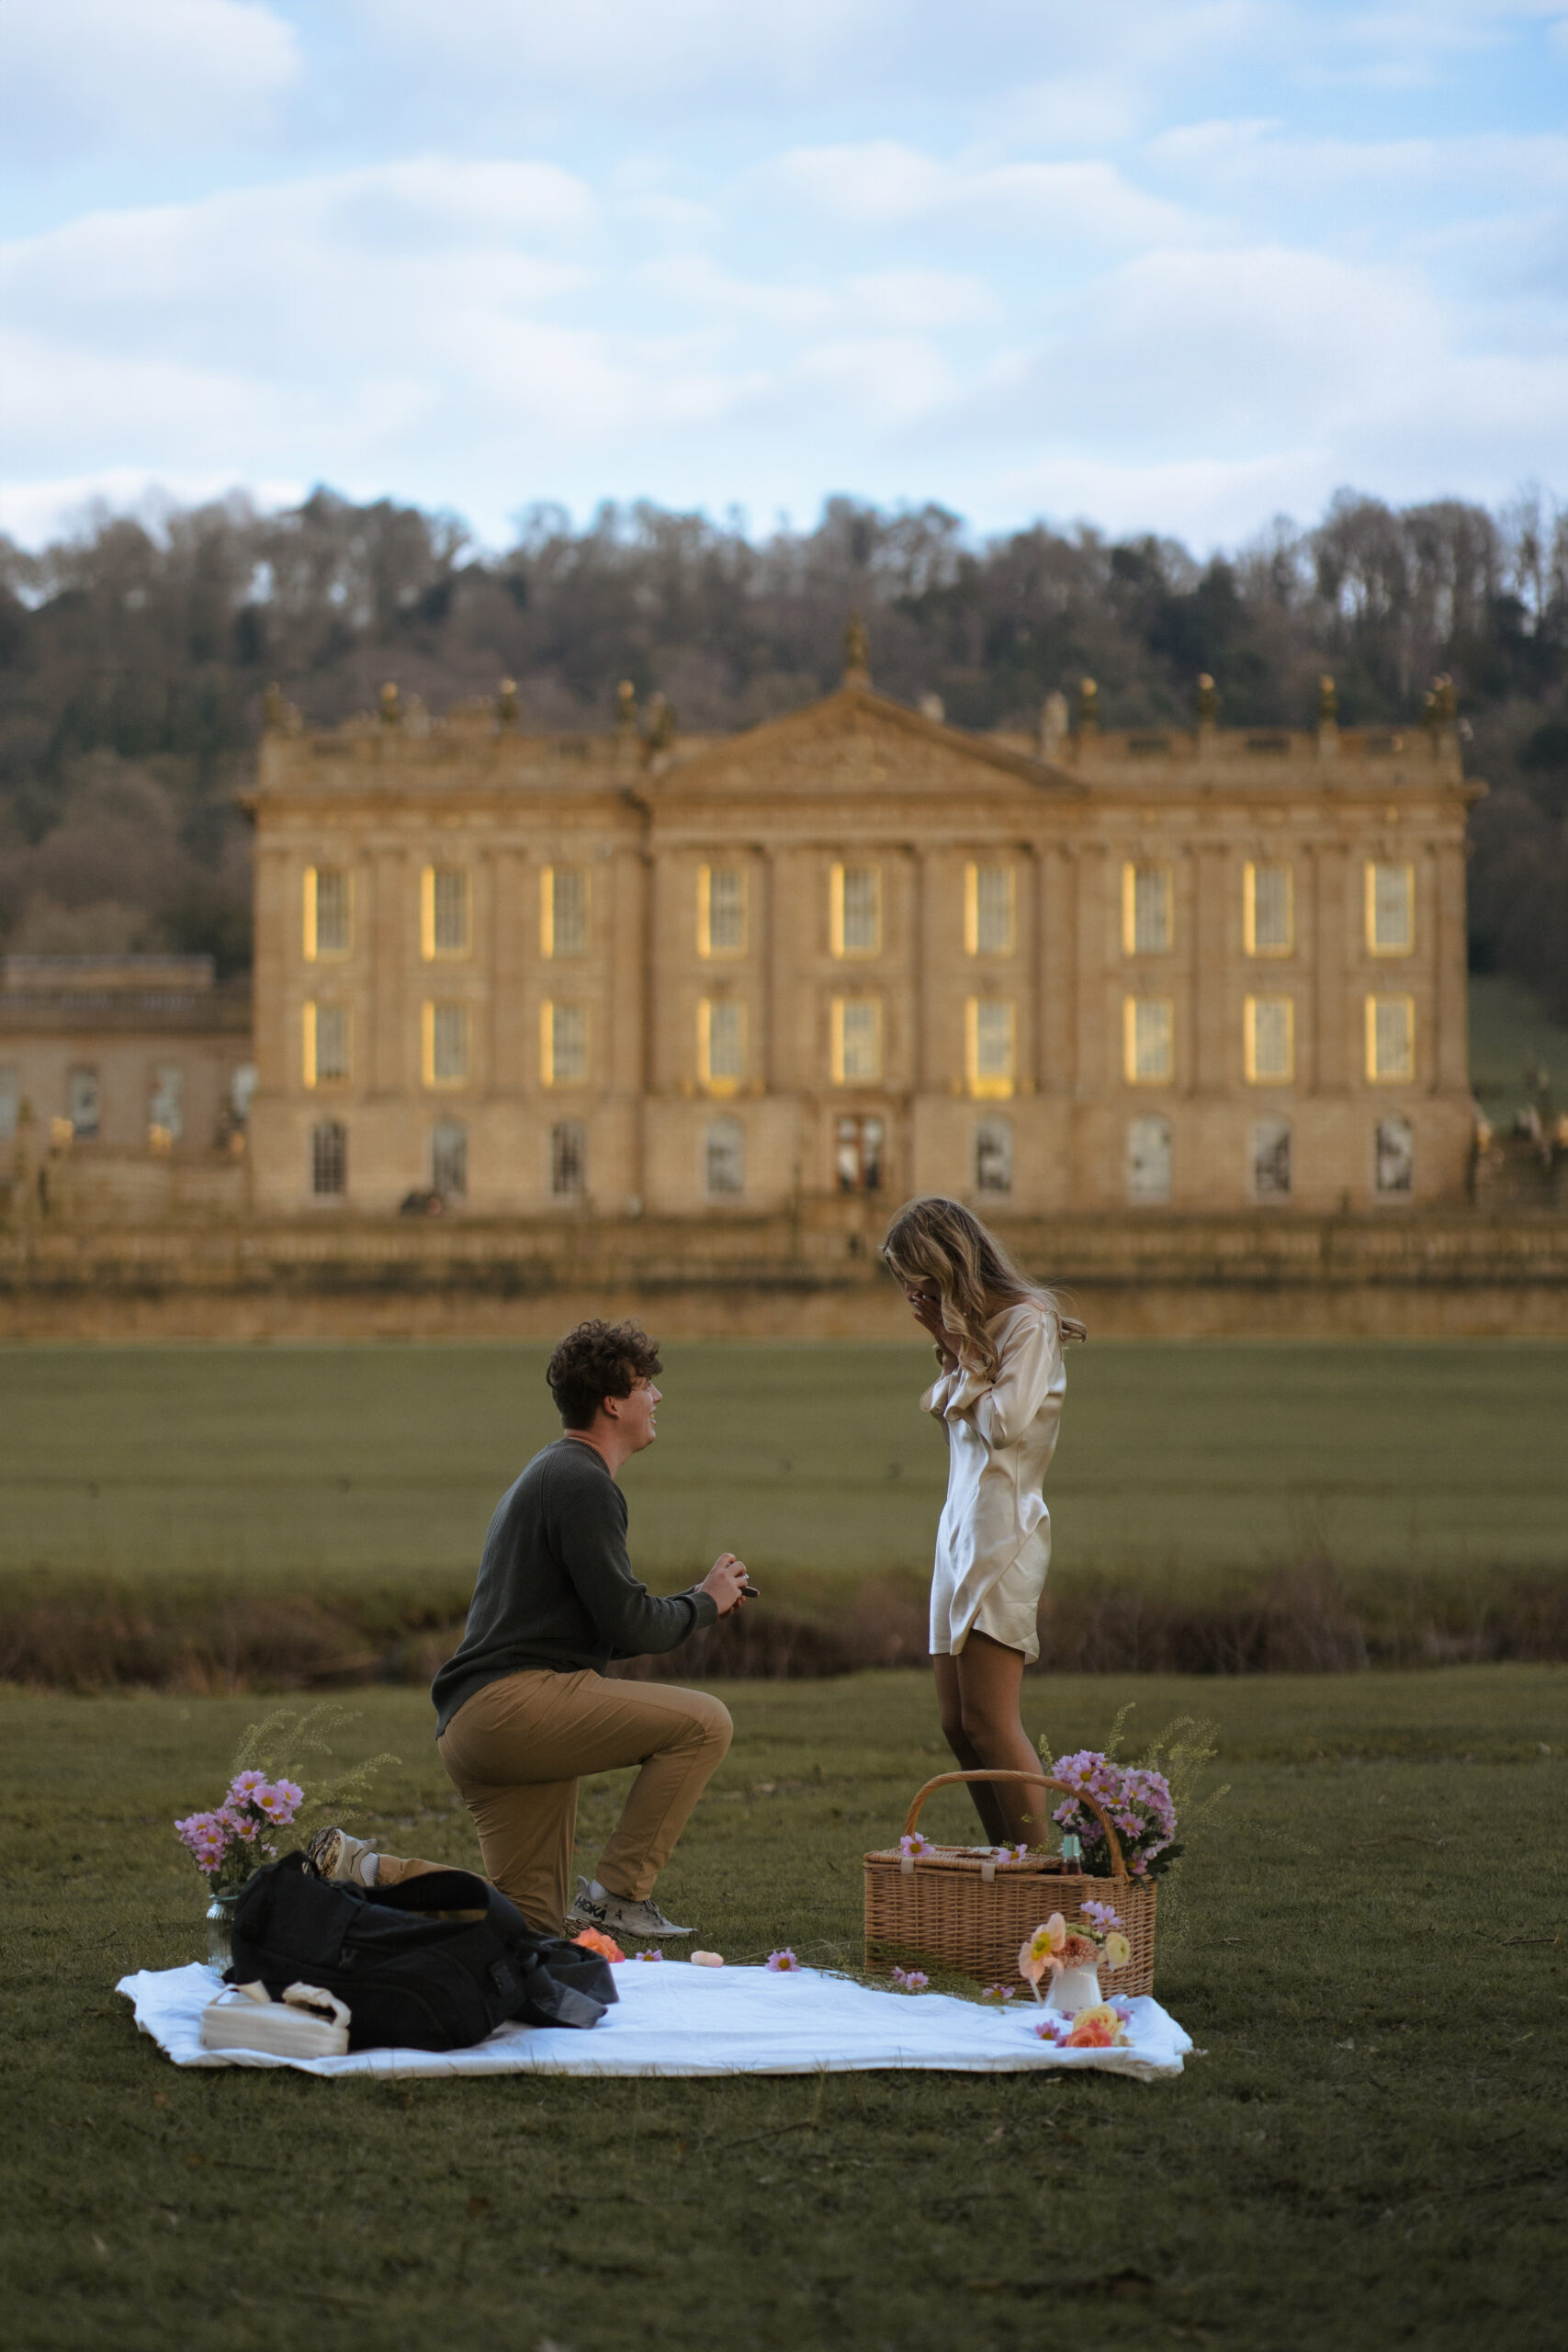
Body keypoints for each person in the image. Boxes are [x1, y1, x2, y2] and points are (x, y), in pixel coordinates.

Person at [307, 1318, 749, 1939]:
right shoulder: (582, 1483)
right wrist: (704, 1603)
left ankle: (365, 1870)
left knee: (530, 1922)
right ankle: (619, 1897)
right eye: (645, 1384)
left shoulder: (553, 1472)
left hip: (478, 1724)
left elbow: (604, 1626)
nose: (657, 1397)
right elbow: (630, 1621)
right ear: (612, 1402)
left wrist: (698, 1601)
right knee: (705, 1724)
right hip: (514, 1708)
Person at [880, 1197, 1084, 1848]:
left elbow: (1002, 1424)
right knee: (956, 1722)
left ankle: (1042, 1876)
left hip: (1004, 1533)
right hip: (958, 1532)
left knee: (993, 1721)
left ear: (947, 1266)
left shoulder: (1027, 1323)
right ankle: (1006, 1859)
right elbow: (942, 1406)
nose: (910, 1294)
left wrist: (957, 1345)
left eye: (917, 1278)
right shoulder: (973, 1335)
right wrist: (953, 1343)